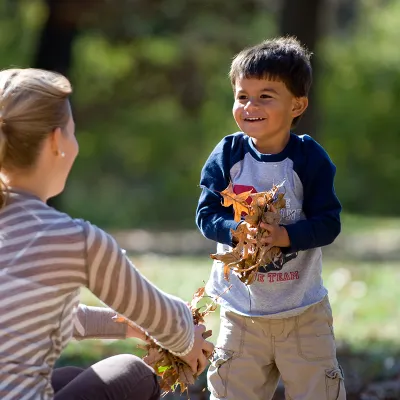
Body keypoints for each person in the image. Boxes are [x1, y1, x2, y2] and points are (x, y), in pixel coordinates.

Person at [0, 68, 214, 400]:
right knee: (134, 373)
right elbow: (162, 315)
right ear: (57, 141)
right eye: (72, 132)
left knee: (70, 376)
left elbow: (29, 319)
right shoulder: (74, 241)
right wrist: (187, 340)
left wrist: (125, 325)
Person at [196, 37, 346, 400]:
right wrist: (236, 230)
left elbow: (329, 222)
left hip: (302, 313)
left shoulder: (309, 157)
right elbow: (206, 214)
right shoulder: (228, 153)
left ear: (297, 104)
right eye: (242, 95)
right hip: (240, 314)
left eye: (265, 96)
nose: (250, 105)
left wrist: (284, 236)